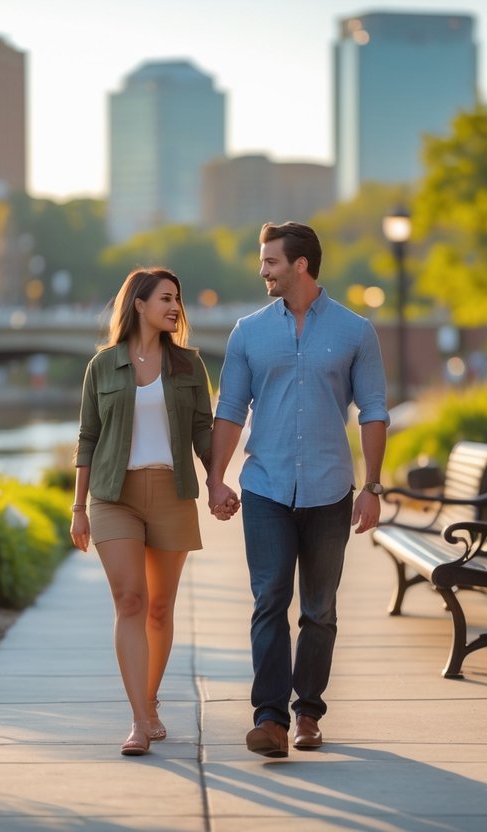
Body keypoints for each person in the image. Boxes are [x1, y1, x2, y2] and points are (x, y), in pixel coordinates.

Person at [207, 221, 388, 758]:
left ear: (300, 265)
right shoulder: (247, 332)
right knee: (269, 602)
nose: (262, 270)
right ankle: (271, 721)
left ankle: (308, 710)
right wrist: (216, 479)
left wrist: (372, 485)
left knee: (320, 609)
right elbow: (230, 410)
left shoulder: (356, 332)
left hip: (331, 490)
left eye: (270, 262)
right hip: (265, 488)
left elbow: (374, 411)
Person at [71, 267, 214, 757]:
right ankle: (137, 719)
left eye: (179, 299)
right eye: (166, 299)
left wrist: (218, 484)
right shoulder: (103, 366)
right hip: (114, 496)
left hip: (172, 492)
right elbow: (87, 439)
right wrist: (78, 508)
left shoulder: (189, 366)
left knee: (158, 608)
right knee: (129, 601)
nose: (175, 307)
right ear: (139, 303)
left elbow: (203, 433)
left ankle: (151, 699)